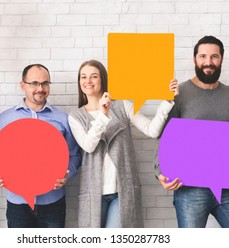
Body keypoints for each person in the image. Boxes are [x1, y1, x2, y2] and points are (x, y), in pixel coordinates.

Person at [153, 36, 229, 228]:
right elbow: (165, 138)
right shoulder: (179, 94)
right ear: (194, 59)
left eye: (214, 56)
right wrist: (160, 173)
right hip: (189, 187)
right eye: (203, 56)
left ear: (221, 59)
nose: (208, 62)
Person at [69, 59, 178, 228]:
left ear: (102, 79)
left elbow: (152, 130)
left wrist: (166, 102)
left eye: (93, 76)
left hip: (123, 192)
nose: (87, 81)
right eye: (83, 77)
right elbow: (88, 145)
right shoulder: (75, 116)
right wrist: (103, 115)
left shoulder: (122, 105)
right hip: (93, 194)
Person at [0, 64, 81, 228]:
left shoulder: (62, 118)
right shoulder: (6, 118)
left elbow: (74, 155)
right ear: (22, 85)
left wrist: (67, 174)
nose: (40, 88)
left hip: (53, 203)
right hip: (17, 203)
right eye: (34, 83)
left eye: (45, 83)